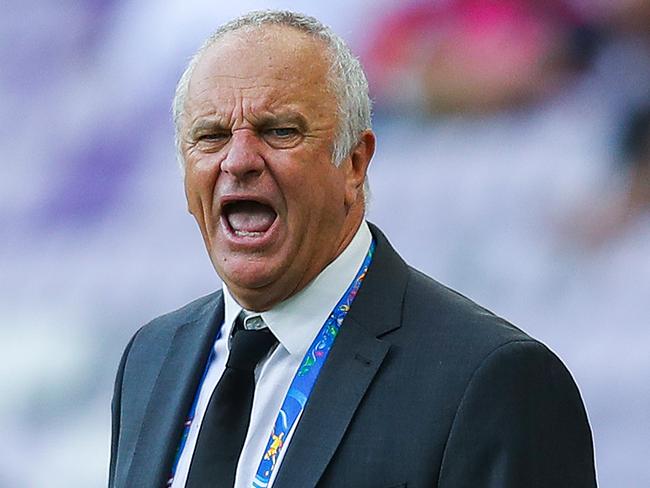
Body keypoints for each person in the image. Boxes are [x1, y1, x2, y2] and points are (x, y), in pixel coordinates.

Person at [109, 10, 597, 488]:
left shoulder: (491, 381)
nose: (238, 161)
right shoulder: (150, 360)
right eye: (210, 137)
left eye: (279, 131)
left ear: (355, 163)